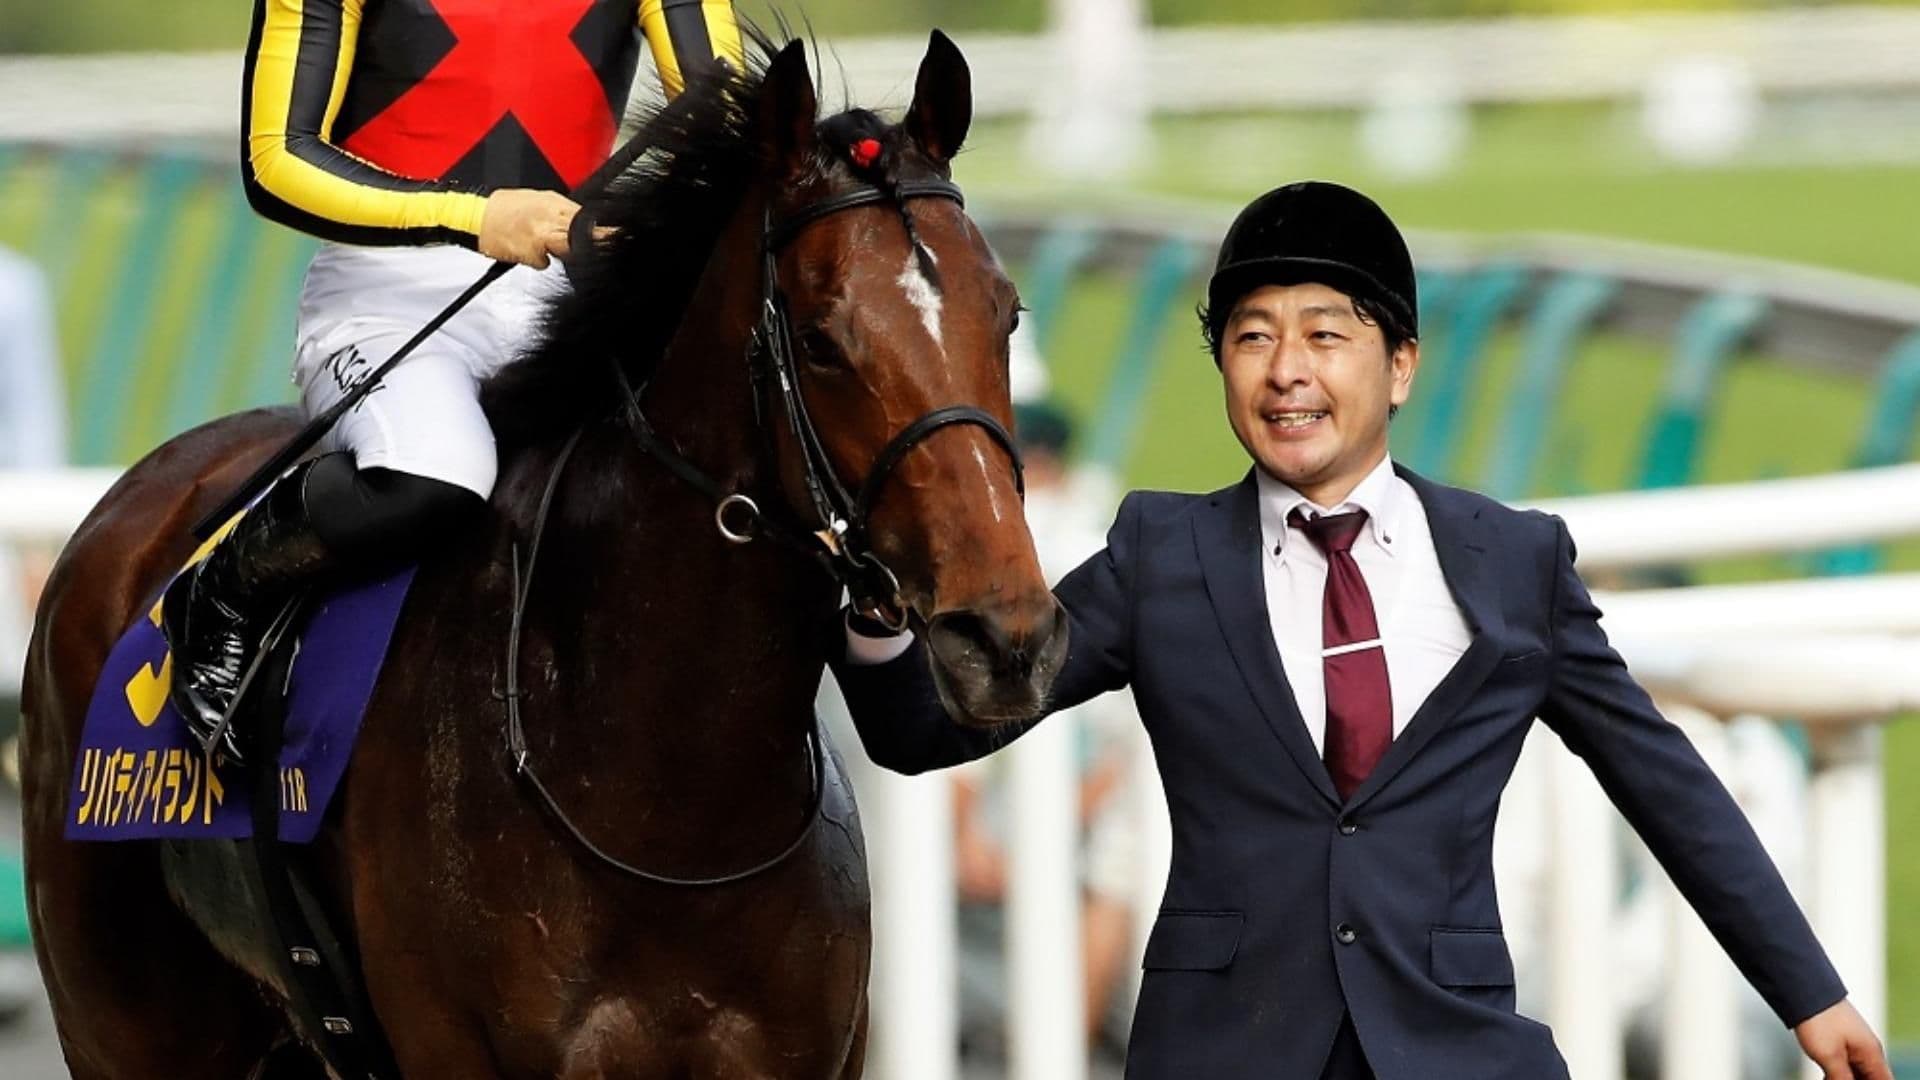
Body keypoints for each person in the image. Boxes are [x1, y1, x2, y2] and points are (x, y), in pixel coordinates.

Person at [830, 181, 1892, 1080]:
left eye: (1325, 335)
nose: (1287, 368)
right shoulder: (1163, 556)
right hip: (1221, 1051)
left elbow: (1666, 781)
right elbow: (929, 729)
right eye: (1254, 338)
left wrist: (1813, 996)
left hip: (1462, 1049)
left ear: (1399, 366)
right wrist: (872, 609)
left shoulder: (1513, 562)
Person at [164, 0, 744, 759]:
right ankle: (228, 587)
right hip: (385, 293)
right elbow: (276, 161)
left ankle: (884, 654)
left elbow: (728, 115)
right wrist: (469, 215)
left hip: (568, 286)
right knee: (437, 472)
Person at [949, 400, 1142, 1060]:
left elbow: (1123, 753)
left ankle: (1059, 1050)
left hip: (1089, 808)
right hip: (1016, 800)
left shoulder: (1083, 550)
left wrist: (1036, 837)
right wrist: (971, 836)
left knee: (1119, 852)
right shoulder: (1019, 557)